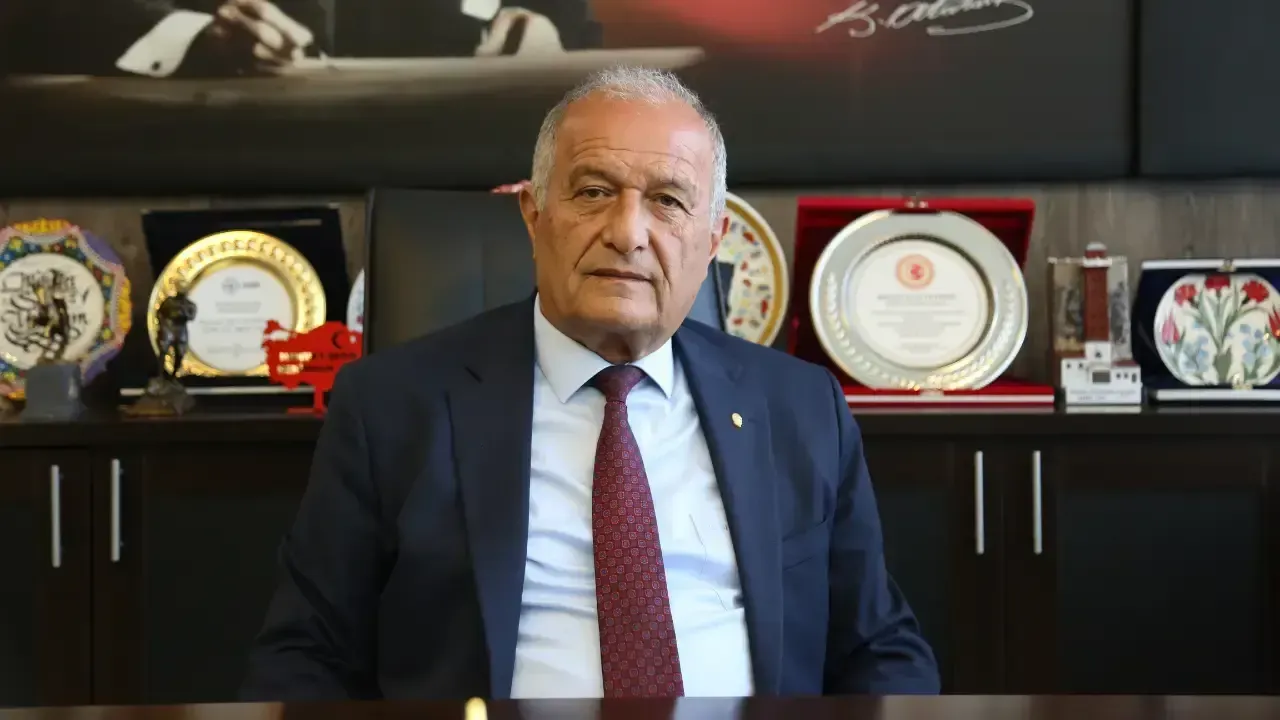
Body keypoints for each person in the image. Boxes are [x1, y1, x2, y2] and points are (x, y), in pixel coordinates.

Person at [242, 66, 939, 700]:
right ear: (533, 215)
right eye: (595, 192)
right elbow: (307, 656)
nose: (627, 232)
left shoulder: (799, 407)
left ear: (712, 239)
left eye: (668, 201)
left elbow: (879, 649)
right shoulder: (392, 407)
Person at [0, 0, 599, 77]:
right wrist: (195, 37)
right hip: (201, 169)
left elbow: (575, 39)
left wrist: (546, 47)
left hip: (449, 208)